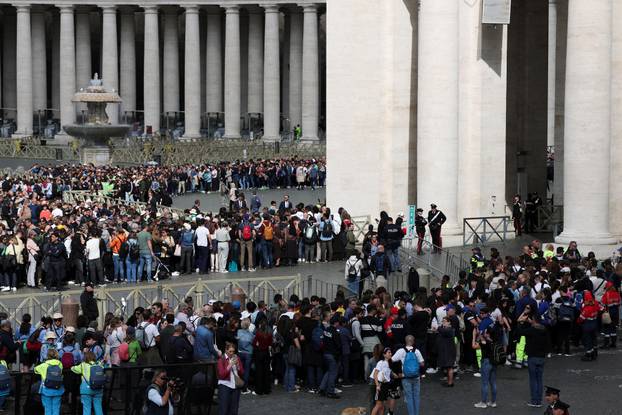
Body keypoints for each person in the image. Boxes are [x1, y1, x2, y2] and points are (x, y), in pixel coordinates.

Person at [517, 310, 551, 408]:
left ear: (533, 320)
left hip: (532, 357)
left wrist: (521, 322)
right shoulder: (544, 329)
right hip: (541, 357)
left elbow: (520, 332)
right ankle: (539, 400)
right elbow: (548, 344)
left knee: (533, 380)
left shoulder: (531, 330)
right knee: (539, 379)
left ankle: (534, 400)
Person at [391, 335, 424, 415]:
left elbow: (391, 360)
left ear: (405, 341)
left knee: (409, 398)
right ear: (413, 341)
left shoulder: (401, 351)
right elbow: (422, 363)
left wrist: (397, 371)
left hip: (405, 377)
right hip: (416, 377)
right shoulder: (417, 351)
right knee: (416, 396)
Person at [71, 351, 104, 415]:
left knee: (87, 408)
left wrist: (72, 367)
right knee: (98, 408)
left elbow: (74, 369)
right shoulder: (99, 364)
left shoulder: (83, 365)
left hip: (86, 390)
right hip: (98, 388)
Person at [472, 329, 498, 408]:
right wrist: (480, 335)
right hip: (494, 363)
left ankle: (483, 402)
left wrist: (473, 336)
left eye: (485, 332)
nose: (484, 334)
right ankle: (493, 402)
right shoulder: (495, 341)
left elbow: (474, 346)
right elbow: (482, 339)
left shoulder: (485, 342)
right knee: (493, 383)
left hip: (486, 362)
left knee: (485, 383)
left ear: (488, 334)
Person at [34, 348, 64, 415]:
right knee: (56, 408)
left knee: (47, 409)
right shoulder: (60, 364)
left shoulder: (44, 365)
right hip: (58, 389)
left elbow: (35, 369)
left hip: (46, 390)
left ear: (47, 355)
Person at [217, 342, 244, 415]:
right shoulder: (221, 360)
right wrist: (229, 366)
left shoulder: (237, 358)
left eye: (233, 351)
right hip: (225, 385)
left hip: (235, 385)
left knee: (234, 409)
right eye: (230, 351)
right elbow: (222, 375)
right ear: (226, 350)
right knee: (224, 408)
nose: (231, 353)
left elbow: (242, 373)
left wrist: (238, 366)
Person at [370, 347, 397, 415]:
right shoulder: (380, 362)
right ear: (384, 355)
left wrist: (394, 374)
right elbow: (375, 374)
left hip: (386, 385)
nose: (390, 354)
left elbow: (388, 372)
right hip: (381, 385)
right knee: (378, 405)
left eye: (391, 352)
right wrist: (377, 385)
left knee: (382, 405)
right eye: (389, 352)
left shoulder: (390, 363)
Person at [436, 316, 456, 387]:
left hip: (449, 351)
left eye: (445, 321)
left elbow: (443, 331)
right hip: (446, 351)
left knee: (450, 367)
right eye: (443, 321)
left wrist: (438, 327)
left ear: (449, 322)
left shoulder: (449, 329)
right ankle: (449, 381)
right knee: (448, 367)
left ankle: (450, 383)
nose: (443, 322)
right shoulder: (445, 329)